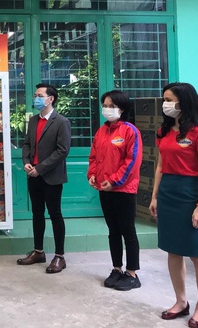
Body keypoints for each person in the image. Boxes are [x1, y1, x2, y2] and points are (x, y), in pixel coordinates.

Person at [149, 82, 198, 328]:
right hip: (168, 192)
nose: (165, 104)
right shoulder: (163, 131)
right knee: (173, 250)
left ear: (184, 102)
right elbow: (159, 166)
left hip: (191, 193)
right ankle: (181, 301)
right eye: (164, 99)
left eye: (169, 99)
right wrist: (154, 196)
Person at [88, 90, 142, 291]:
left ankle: (132, 273)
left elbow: (132, 162)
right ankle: (117, 268)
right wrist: (92, 175)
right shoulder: (102, 131)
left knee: (127, 230)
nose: (107, 109)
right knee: (113, 231)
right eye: (105, 105)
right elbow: (94, 157)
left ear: (122, 108)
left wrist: (114, 181)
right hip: (105, 189)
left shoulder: (130, 131)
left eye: (111, 105)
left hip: (124, 190)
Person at [18, 83, 71, 274]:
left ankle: (59, 256)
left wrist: (40, 169)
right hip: (33, 176)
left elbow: (62, 150)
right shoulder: (32, 121)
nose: (36, 98)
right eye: (35, 95)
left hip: (51, 176)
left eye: (40, 95)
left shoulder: (61, 121)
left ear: (51, 99)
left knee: (55, 214)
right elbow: (26, 145)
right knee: (37, 214)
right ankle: (38, 251)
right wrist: (26, 163)